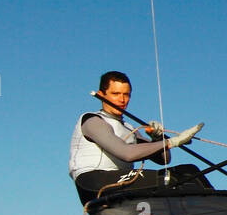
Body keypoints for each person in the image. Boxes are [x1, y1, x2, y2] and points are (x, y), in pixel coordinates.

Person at [69, 71, 209, 206]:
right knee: (170, 179)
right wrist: (171, 142)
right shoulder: (92, 120)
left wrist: (157, 137)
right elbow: (127, 153)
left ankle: (214, 211)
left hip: (118, 181)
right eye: (115, 94)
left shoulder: (130, 129)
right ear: (101, 95)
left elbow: (163, 159)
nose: (122, 100)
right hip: (93, 182)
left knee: (189, 172)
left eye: (126, 94)